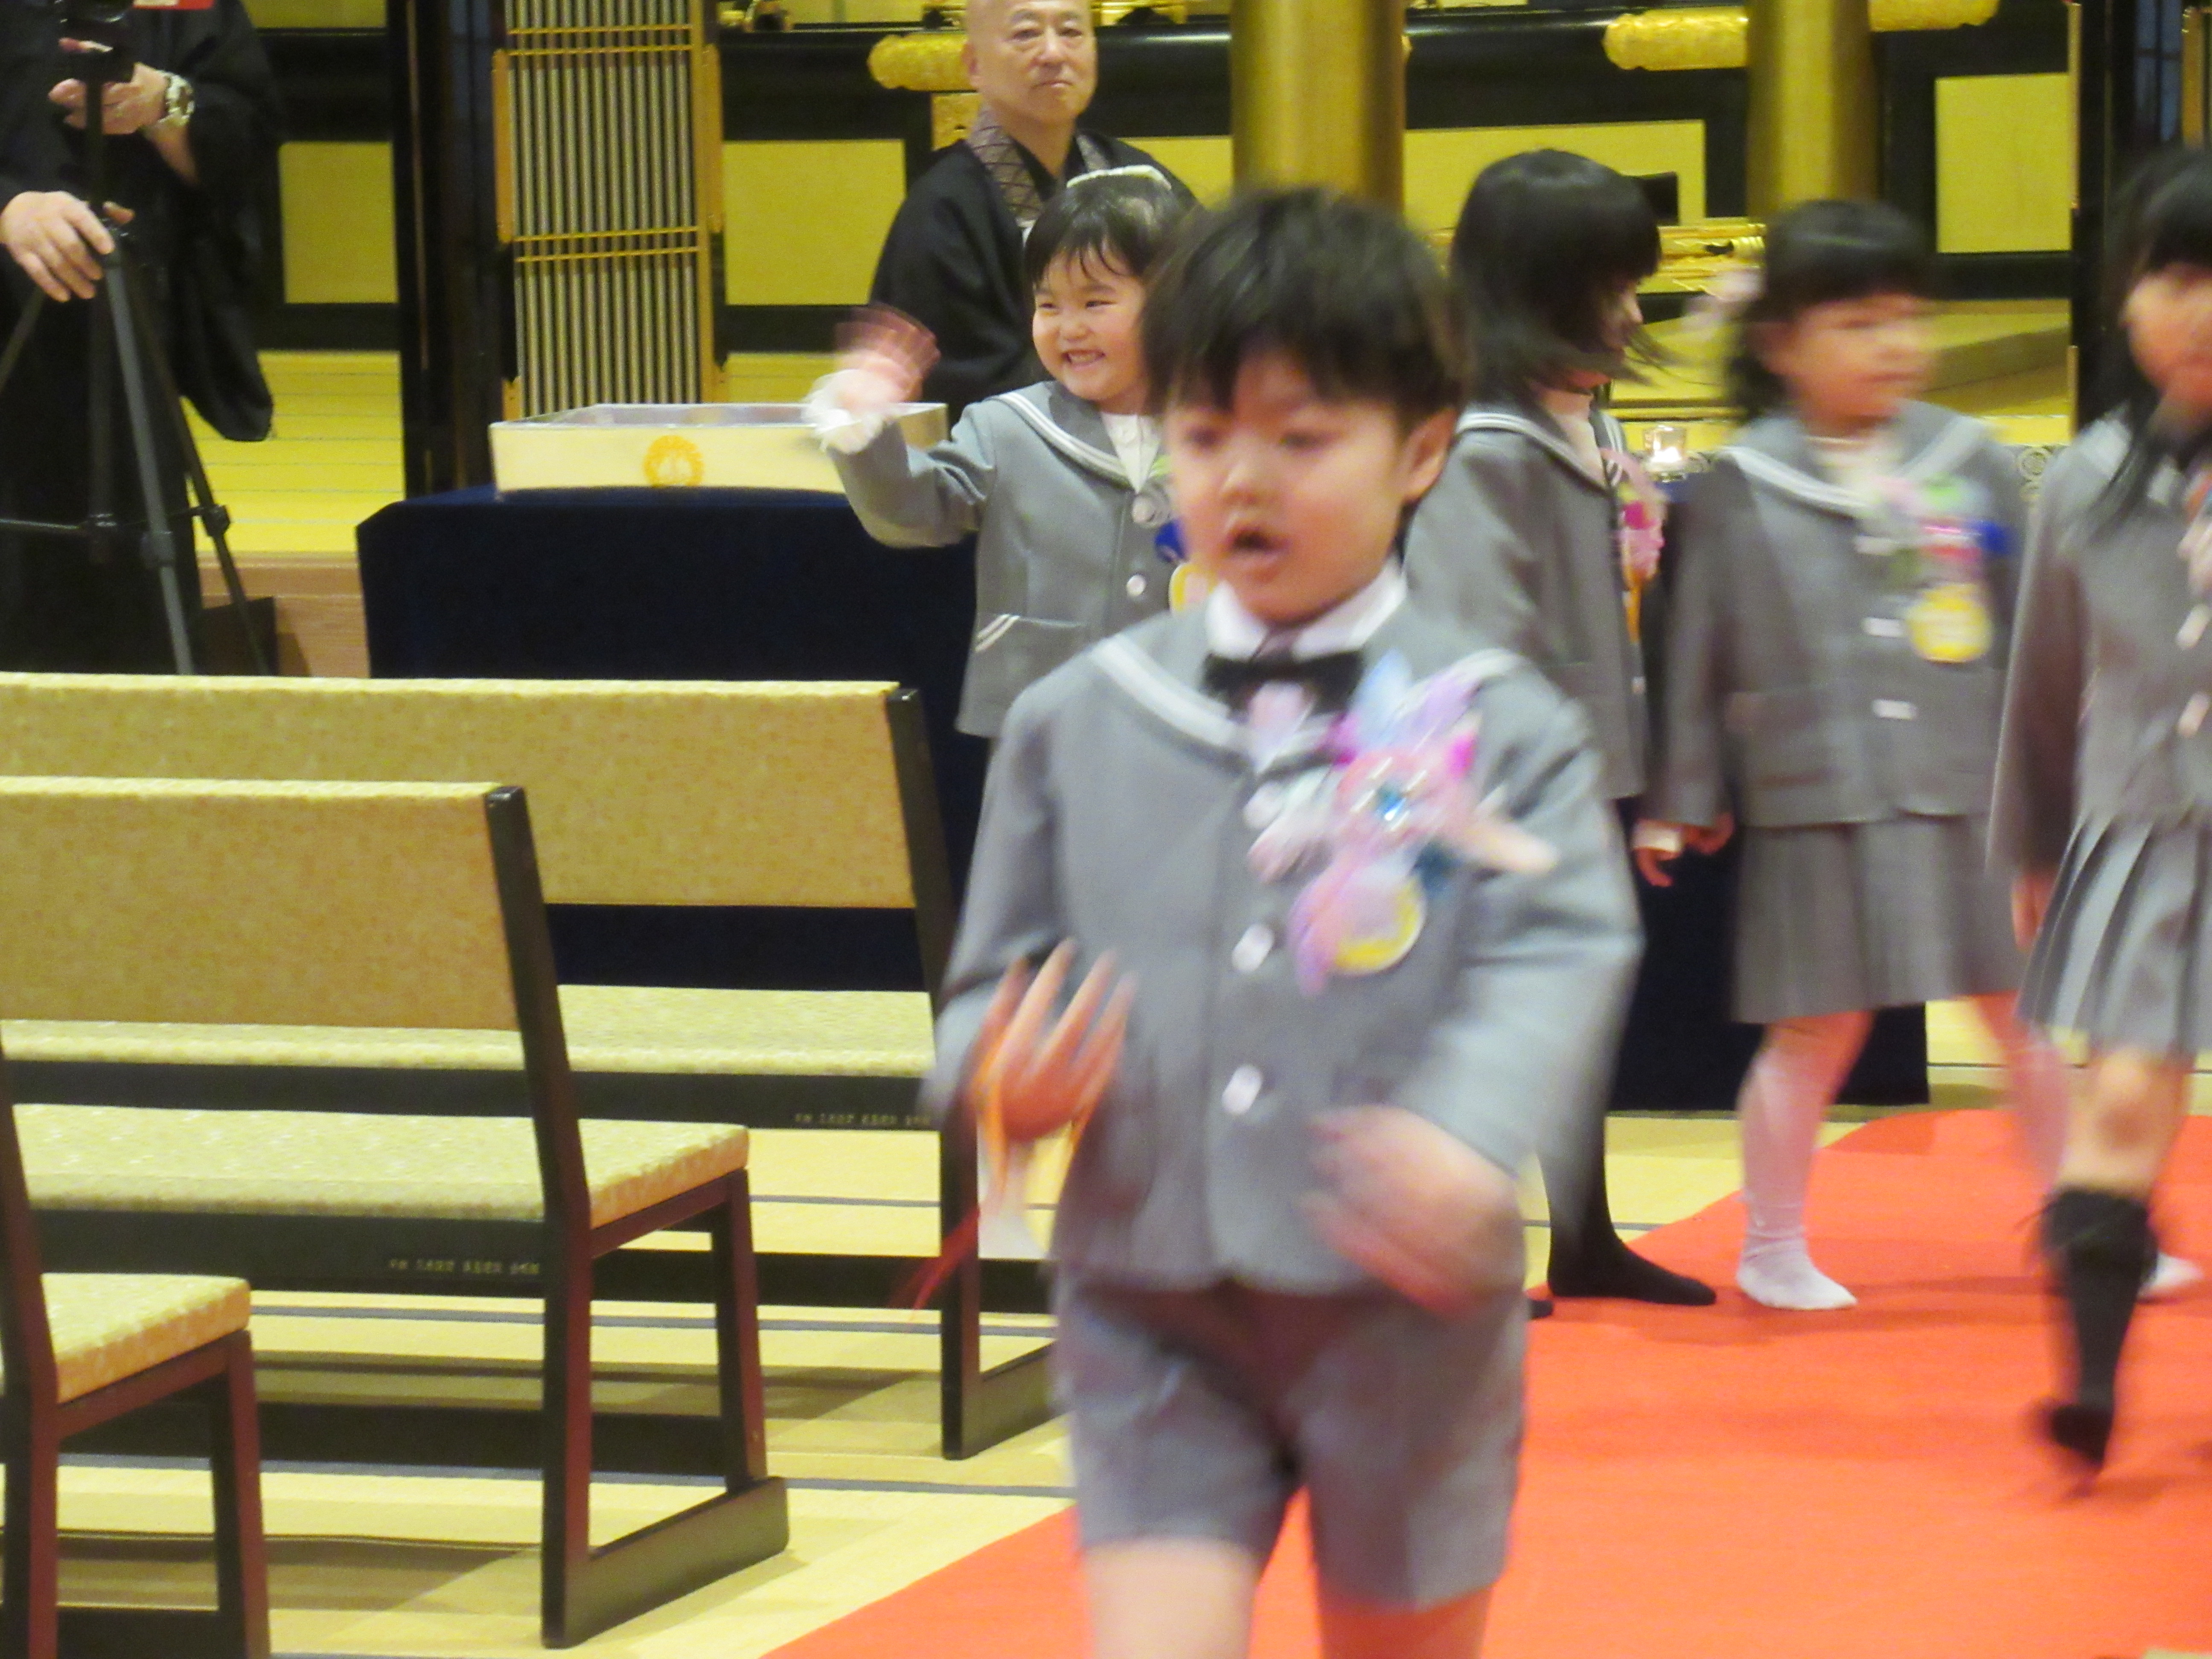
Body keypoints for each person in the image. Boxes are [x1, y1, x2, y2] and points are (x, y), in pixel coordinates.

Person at [923, 188, 1640, 1659]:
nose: (1244, 479)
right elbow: (988, 983)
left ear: (1422, 449)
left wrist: (1464, 1129)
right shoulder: (1075, 719)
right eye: (1201, 437)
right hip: (1147, 1291)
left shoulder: (1498, 722)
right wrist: (998, 1074)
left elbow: (1562, 944)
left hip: (1403, 1308)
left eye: (1303, 440)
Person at [1635, 200, 2074, 1311]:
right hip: (1815, 794)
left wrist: (2046, 796)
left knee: (2022, 1014)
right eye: (1859, 323)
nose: (1893, 345)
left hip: (1965, 786)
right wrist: (1683, 792)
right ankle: (1772, 1244)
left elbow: (2025, 630)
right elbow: (1695, 648)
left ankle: (2091, 1226)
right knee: (1815, 1029)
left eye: (1906, 318)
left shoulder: (1969, 458)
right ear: (1782, 343)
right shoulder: (1741, 484)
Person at [1402, 150, 1714, 1310]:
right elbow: (1476, 645)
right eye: (1610, 288)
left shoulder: (1577, 423)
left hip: (1573, 764)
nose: (1632, 314)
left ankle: (1581, 1233)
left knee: (1569, 996)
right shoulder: (1485, 447)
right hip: (1500, 784)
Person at [1994, 146, 2212, 1469]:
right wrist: (2033, 846)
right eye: (2176, 276)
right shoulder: (2083, 482)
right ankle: (2089, 1385)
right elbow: (2043, 684)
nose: (2201, 310)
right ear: (2126, 297)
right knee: (2123, 1105)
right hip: (2147, 838)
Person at [815, 168, 1194, 741]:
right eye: (1048, 305)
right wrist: (863, 426)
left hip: (1186, 709)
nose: (1069, 328)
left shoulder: (1217, 429)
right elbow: (911, 512)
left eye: (1095, 302)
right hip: (1042, 715)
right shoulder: (1007, 427)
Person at [0, 0, 277, 671]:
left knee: (137, 578)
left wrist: (165, 105)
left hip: (130, 313)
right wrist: (9, 207)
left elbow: (246, 134)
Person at [867, 0, 1185, 417]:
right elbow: (959, 391)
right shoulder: (941, 211)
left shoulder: (1140, 180)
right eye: (1026, 34)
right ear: (974, 64)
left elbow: (1208, 310)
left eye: (1071, 32)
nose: (1053, 53)